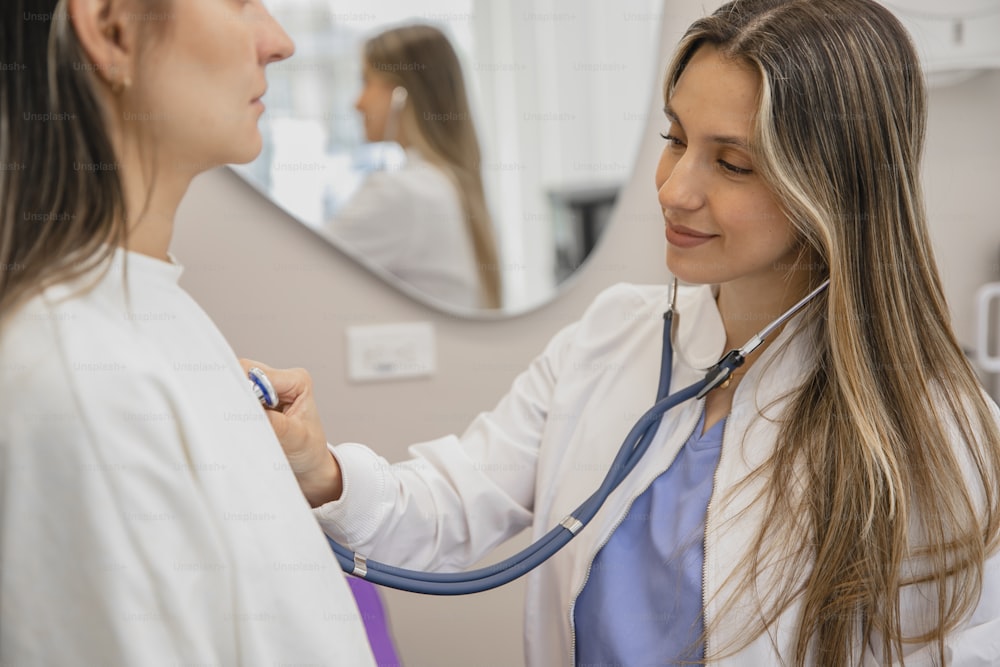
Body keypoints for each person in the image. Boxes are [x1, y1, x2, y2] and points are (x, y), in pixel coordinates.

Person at [249, 0, 1000, 664]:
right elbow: (453, 502)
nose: (675, 189)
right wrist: (323, 470)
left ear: (833, 187)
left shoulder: (940, 433)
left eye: (731, 162)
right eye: (676, 139)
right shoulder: (613, 336)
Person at [0, 0, 375, 664]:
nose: (279, 41)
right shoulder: (74, 384)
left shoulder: (156, 307)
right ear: (111, 28)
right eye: (238, 2)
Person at [322, 23, 502, 311]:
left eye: (366, 81)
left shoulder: (401, 192)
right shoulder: (445, 183)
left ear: (401, 96)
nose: (357, 103)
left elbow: (304, 269)